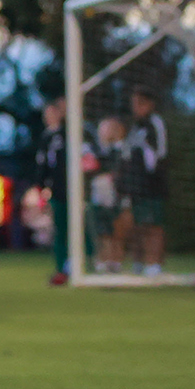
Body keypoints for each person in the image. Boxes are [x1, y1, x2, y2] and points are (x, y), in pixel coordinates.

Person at [124, 88, 168, 275]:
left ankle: (154, 263)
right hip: (135, 185)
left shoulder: (155, 123)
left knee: (154, 225)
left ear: (149, 104)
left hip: (153, 184)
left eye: (139, 104)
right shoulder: (135, 127)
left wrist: (152, 172)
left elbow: (161, 152)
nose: (135, 108)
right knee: (137, 225)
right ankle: (139, 262)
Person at [34, 98, 71, 286]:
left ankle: (80, 266)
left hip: (72, 190)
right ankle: (62, 268)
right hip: (56, 191)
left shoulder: (69, 134)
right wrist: (41, 187)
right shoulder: (46, 137)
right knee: (60, 230)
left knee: (74, 229)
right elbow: (42, 166)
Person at [85, 116, 128, 272]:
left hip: (116, 196)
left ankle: (115, 261)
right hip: (99, 195)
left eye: (106, 128)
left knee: (115, 229)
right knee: (101, 229)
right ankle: (102, 260)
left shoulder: (121, 149)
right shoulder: (95, 149)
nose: (102, 133)